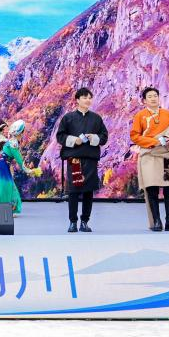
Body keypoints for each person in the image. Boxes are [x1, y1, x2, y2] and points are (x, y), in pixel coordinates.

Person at [131, 86, 169, 232]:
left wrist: (168, 138)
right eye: (150, 96)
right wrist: (154, 142)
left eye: (155, 95)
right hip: (149, 155)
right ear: (144, 100)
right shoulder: (140, 116)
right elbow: (135, 136)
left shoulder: (167, 115)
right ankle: (156, 221)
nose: (153, 98)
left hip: (167, 155)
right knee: (151, 188)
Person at [56, 87, 109, 233]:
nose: (88, 100)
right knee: (73, 192)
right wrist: (74, 140)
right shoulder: (68, 118)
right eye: (85, 97)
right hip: (74, 159)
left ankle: (85, 221)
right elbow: (60, 136)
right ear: (77, 100)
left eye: (90, 97)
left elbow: (104, 137)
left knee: (88, 192)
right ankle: (72, 222)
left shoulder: (96, 118)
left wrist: (95, 138)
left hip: (91, 159)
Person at [0, 120, 41, 214]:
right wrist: (29, 171)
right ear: (20, 132)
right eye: (23, 131)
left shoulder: (11, 141)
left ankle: (1, 207)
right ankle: (6, 208)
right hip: (1, 166)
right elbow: (20, 161)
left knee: (2, 186)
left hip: (1, 164)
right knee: (5, 186)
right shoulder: (13, 144)